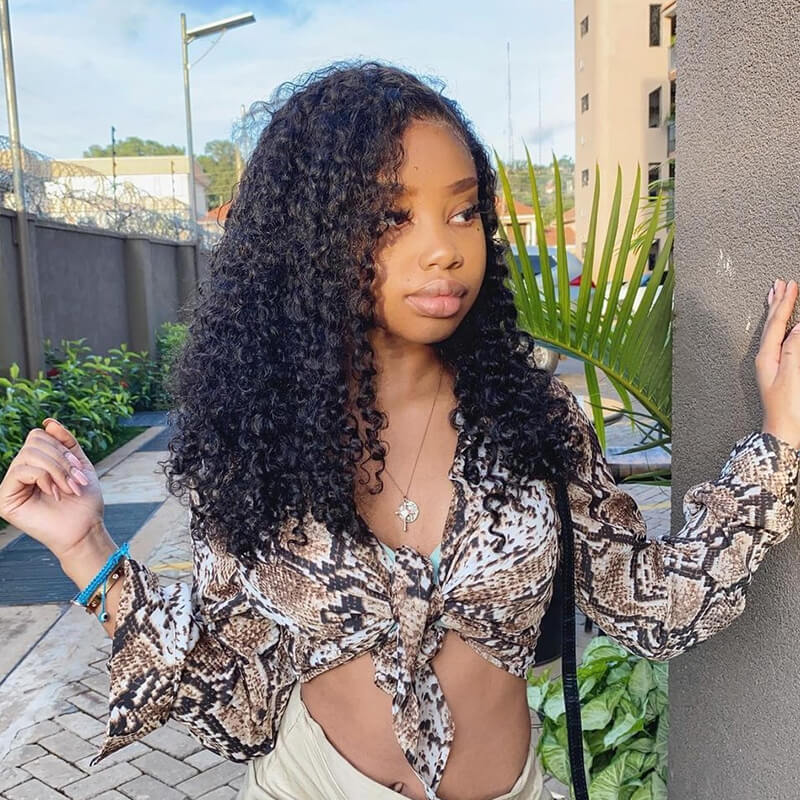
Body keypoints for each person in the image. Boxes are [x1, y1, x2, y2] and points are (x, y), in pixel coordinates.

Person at [1, 60, 799, 800]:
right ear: (310, 237)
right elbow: (232, 703)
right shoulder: (258, 442)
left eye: (463, 212)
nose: (443, 250)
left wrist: (780, 441)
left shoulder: (532, 420)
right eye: (393, 216)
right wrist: (84, 547)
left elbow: (649, 604)